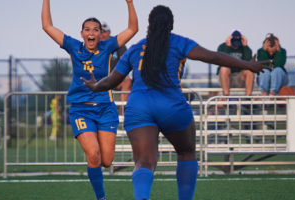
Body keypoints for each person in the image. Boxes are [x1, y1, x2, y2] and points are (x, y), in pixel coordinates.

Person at [81, 5, 270, 200]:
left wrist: (95, 86)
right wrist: (248, 65)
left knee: (144, 162)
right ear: (170, 25)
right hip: (171, 105)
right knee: (186, 153)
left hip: (139, 107)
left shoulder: (136, 48)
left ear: (149, 25)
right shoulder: (179, 43)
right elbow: (213, 56)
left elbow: (112, 80)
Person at [41, 0, 138, 199]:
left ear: (101, 34)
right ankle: (101, 197)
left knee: (107, 160)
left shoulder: (108, 46)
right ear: (82, 33)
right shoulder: (73, 46)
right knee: (93, 154)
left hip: (105, 109)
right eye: (87, 29)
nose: (91, 32)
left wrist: (129, 2)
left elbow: (133, 28)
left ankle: (96, 172)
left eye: (96, 29)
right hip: (81, 109)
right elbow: (47, 26)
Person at [101, 22, 132, 106]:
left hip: (114, 78)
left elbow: (125, 61)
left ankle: (122, 112)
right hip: (99, 78)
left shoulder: (118, 43)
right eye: (100, 32)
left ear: (109, 32)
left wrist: (122, 75)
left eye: (104, 32)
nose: (102, 34)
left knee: (127, 81)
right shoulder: (94, 45)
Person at [217, 30, 255, 95]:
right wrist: (228, 47)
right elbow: (222, 61)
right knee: (224, 68)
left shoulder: (245, 48)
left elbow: (248, 63)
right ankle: (226, 96)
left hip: (241, 77)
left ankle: (248, 98)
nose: (236, 46)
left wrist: (245, 46)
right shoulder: (222, 47)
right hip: (227, 77)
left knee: (249, 71)